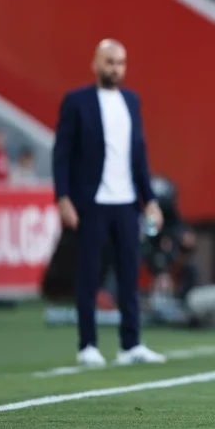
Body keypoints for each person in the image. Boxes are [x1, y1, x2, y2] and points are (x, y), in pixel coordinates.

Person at [53, 39, 166, 367]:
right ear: (96, 63)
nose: (115, 68)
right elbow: (62, 153)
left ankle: (130, 345)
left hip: (126, 202)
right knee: (88, 275)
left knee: (130, 276)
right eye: (109, 62)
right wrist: (63, 198)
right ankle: (87, 344)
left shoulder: (131, 101)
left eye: (120, 63)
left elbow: (138, 155)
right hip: (92, 203)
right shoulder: (76, 101)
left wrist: (151, 201)